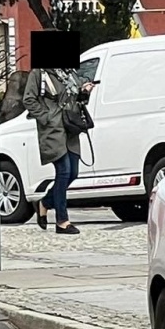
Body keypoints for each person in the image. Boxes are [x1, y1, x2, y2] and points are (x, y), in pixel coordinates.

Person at [24, 63, 94, 235]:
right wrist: (47, 117)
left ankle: (45, 202)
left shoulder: (68, 73)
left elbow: (75, 98)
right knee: (63, 171)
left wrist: (84, 92)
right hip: (53, 130)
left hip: (71, 127)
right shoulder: (39, 73)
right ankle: (62, 220)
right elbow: (28, 99)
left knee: (73, 173)